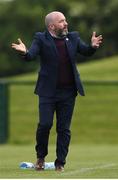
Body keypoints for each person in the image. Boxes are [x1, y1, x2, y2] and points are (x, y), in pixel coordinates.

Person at [11, 11, 103, 172]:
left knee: (64, 128)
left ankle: (60, 163)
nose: (66, 23)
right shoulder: (41, 38)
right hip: (47, 92)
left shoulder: (73, 37)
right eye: (62, 21)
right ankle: (40, 157)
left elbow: (85, 51)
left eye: (65, 20)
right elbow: (31, 54)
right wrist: (24, 52)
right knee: (45, 124)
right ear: (51, 26)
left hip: (68, 92)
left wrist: (93, 47)